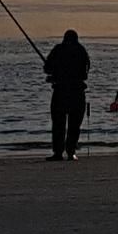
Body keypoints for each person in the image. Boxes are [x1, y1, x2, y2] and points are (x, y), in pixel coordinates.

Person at [43, 29, 90, 160]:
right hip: (77, 92)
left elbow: (47, 68)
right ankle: (71, 152)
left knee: (58, 124)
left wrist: (54, 73)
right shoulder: (81, 51)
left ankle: (58, 152)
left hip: (61, 92)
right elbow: (85, 73)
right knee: (74, 125)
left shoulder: (58, 49)